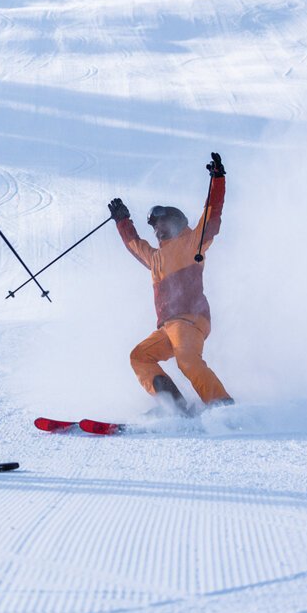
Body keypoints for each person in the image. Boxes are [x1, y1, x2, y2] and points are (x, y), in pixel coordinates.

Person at [107, 152, 233, 415]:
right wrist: (122, 221)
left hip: (190, 319)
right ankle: (175, 405)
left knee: (187, 360)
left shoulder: (191, 243)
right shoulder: (155, 258)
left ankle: (222, 405)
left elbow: (211, 217)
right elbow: (134, 245)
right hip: (167, 327)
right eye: (153, 227)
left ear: (176, 221)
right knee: (140, 356)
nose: (156, 230)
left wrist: (217, 180)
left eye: (161, 222)